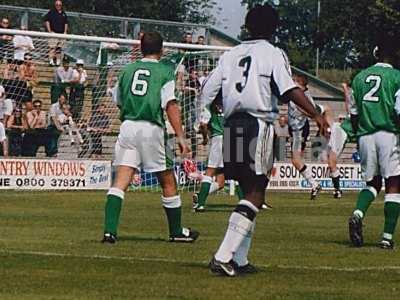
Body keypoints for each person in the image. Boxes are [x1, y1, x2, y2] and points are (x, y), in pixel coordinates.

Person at [200, 4, 328, 276]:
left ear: (247, 26)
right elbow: (289, 88)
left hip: (232, 123)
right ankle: (223, 256)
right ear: (274, 28)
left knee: (250, 190)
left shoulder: (231, 53)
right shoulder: (272, 53)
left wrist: (204, 118)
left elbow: (208, 88)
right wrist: (316, 114)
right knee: (256, 190)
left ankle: (241, 259)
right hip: (256, 124)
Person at [101, 31, 199, 244]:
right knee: (167, 180)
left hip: (127, 126)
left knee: (121, 180)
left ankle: (110, 231)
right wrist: (181, 136)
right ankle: (176, 232)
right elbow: (171, 104)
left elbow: (118, 99)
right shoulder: (165, 71)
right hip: (150, 127)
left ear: (140, 47)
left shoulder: (127, 70)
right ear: (162, 50)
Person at [348, 34, 400, 250]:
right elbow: (399, 111)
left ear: (376, 53)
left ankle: (357, 213)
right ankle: (386, 238)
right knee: (394, 185)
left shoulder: (359, 78)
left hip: (365, 134)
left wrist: (359, 132)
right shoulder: (397, 77)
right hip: (388, 134)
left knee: (372, 183)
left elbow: (353, 113)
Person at [288, 74, 322, 199]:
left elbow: (313, 113)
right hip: (294, 129)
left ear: (300, 84)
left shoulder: (305, 97)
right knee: (296, 160)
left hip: (299, 130)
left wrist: (301, 109)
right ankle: (314, 184)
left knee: (296, 160)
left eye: (295, 81)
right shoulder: (293, 94)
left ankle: (314, 184)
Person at [44, 0, 68, 65]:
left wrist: (65, 32)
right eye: (57, 4)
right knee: (52, 48)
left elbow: (66, 23)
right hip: (53, 33)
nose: (58, 6)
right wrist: (49, 31)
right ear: (55, 5)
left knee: (59, 48)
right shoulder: (51, 12)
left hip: (62, 34)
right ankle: (51, 61)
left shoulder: (63, 13)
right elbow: (47, 21)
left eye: (59, 5)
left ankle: (58, 61)